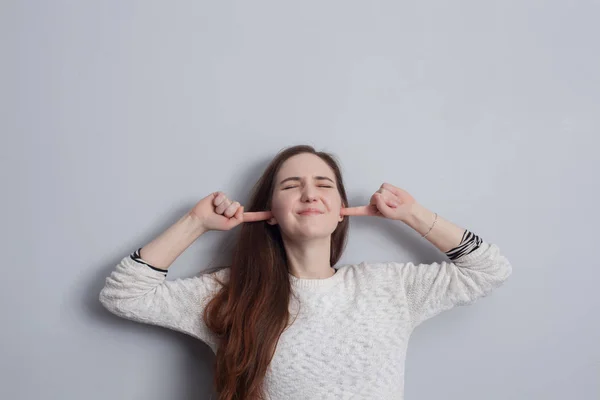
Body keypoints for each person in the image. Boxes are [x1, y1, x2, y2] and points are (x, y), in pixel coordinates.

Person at [99, 144, 512, 400]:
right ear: (271, 214)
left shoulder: (390, 287)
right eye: (291, 185)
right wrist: (194, 222)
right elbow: (124, 295)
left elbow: (489, 269)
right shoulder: (231, 294)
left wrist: (412, 215)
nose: (310, 193)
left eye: (324, 184)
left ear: (341, 212)